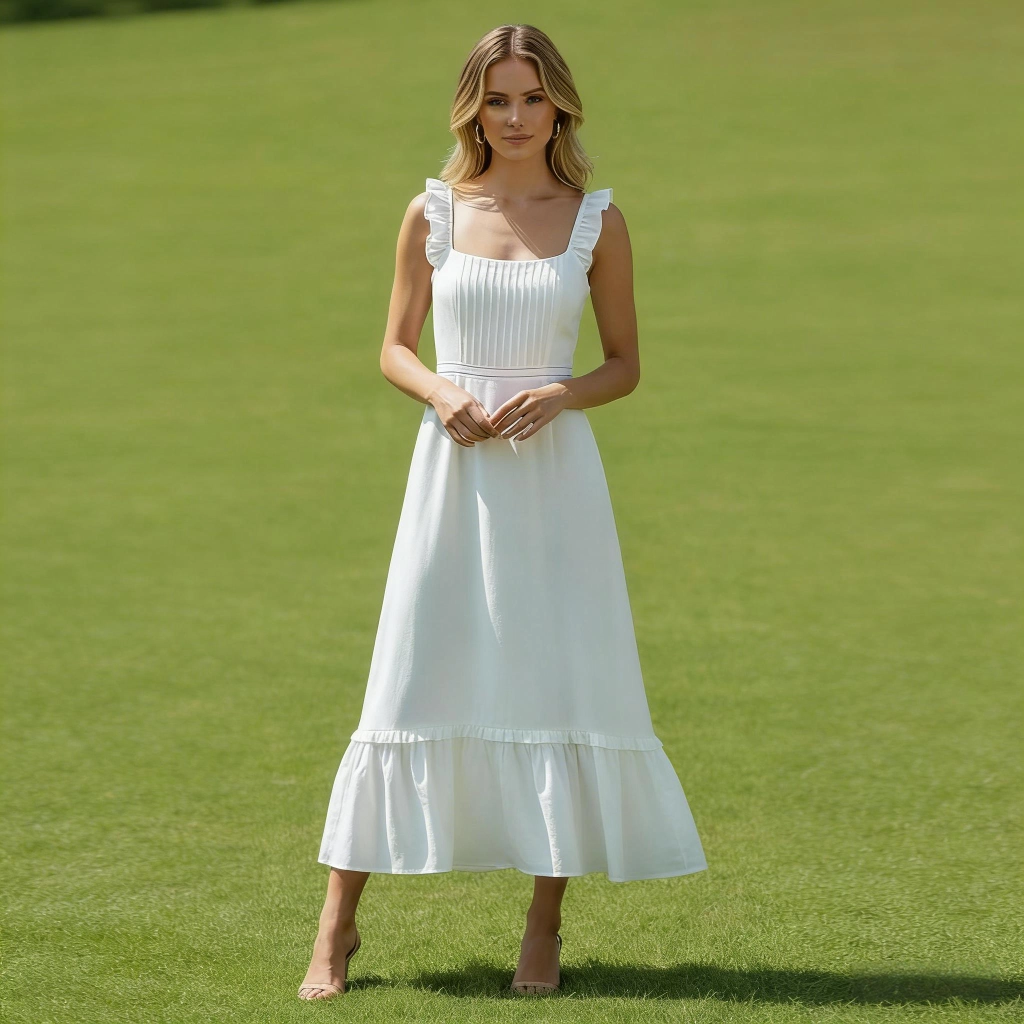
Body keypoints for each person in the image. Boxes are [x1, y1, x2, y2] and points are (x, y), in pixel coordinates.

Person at [298, 23, 707, 1002]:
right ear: (471, 108)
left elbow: (624, 364)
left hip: (555, 485)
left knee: (557, 685)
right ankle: (335, 926)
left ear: (559, 104)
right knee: (406, 681)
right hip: (453, 476)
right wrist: (442, 395)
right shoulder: (432, 212)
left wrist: (560, 394)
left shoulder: (595, 220)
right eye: (496, 99)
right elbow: (394, 346)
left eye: (531, 98)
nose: (515, 117)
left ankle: (543, 923)